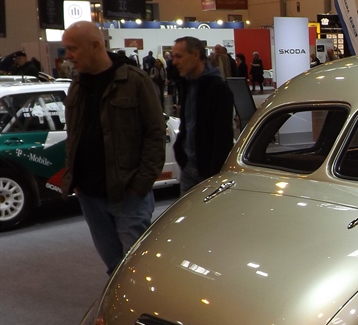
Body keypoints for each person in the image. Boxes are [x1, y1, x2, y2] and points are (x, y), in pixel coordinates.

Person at [60, 21, 165, 275]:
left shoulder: (135, 81)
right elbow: (74, 134)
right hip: (89, 195)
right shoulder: (77, 85)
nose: (68, 56)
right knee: (113, 265)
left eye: (72, 48)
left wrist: (140, 184)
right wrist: (74, 178)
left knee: (136, 268)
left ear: (95, 45)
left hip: (127, 194)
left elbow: (155, 134)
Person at [170, 36, 235, 194]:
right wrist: (181, 154)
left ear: (195, 55)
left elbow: (223, 136)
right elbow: (187, 123)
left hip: (208, 173)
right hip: (188, 168)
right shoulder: (186, 85)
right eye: (173, 57)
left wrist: (215, 173)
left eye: (179, 56)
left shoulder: (218, 89)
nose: (174, 62)